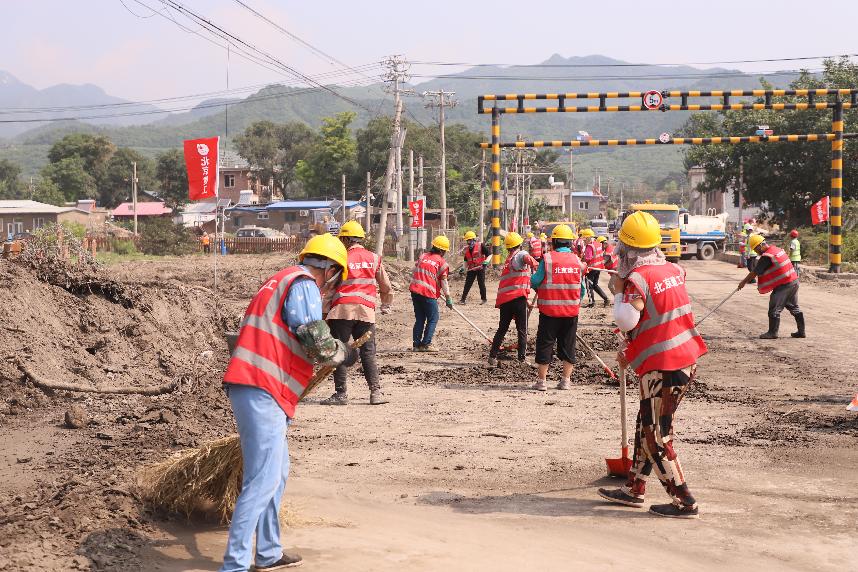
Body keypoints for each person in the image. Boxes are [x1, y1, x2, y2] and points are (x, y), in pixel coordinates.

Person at [220, 233, 357, 571]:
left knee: (276, 473)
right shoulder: (303, 284)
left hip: (260, 385)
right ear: (330, 269)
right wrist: (342, 353)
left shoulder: (278, 281)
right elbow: (312, 337)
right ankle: (235, 564)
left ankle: (268, 552)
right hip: (261, 386)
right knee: (262, 479)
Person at [597, 211, 708, 519]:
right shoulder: (673, 269)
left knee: (657, 435)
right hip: (682, 357)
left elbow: (626, 318)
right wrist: (632, 349)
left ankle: (684, 501)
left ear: (626, 246)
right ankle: (634, 488)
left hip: (665, 366)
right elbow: (659, 320)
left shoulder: (637, 278)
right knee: (645, 423)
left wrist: (618, 290)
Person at [322, 220, 393, 407]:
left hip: (341, 311)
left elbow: (329, 289)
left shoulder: (341, 259)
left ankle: (341, 394)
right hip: (366, 312)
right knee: (368, 353)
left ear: (345, 239)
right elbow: (386, 287)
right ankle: (375, 393)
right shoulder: (374, 258)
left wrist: (324, 313)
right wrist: (386, 305)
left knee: (340, 351)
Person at [530, 224, 584, 391]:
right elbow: (581, 289)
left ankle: (541, 382)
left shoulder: (547, 259)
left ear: (553, 241)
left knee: (545, 344)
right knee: (568, 345)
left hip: (549, 313)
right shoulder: (577, 261)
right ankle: (566, 381)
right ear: (570, 243)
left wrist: (541, 288)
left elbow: (535, 281)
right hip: (570, 313)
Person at [738, 234, 804, 339]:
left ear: (760, 245)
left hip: (785, 284)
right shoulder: (775, 250)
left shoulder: (767, 256)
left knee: (774, 308)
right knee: (793, 306)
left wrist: (743, 282)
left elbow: (755, 272)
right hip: (793, 281)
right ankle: (801, 332)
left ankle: (772, 333)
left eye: (755, 249)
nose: (756, 252)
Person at [488, 232, 537, 368]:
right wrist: (539, 266)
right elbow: (528, 259)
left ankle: (492, 357)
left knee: (502, 328)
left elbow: (514, 282)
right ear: (519, 244)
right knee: (522, 329)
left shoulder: (508, 260)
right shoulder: (520, 254)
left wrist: (525, 299)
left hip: (506, 300)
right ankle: (522, 359)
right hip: (516, 299)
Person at [410, 235, 453, 351]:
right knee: (433, 318)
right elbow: (443, 281)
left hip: (415, 290)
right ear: (442, 250)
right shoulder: (442, 262)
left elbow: (415, 270)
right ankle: (426, 344)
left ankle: (416, 345)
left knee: (420, 318)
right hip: (427, 293)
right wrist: (448, 297)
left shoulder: (423, 256)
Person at [581, 228, 610, 307]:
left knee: (588, 285)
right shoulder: (598, 244)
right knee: (595, 285)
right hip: (598, 268)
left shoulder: (590, 246)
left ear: (588, 238)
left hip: (592, 268)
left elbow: (588, 258)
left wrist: (582, 259)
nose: (584, 241)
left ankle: (591, 302)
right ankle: (606, 299)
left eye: (584, 239)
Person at [459, 230, 489, 305]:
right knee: (467, 283)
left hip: (480, 268)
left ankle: (484, 299)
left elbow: (489, 254)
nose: (468, 242)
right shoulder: (466, 249)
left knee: (481, 283)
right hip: (471, 269)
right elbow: (466, 260)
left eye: (470, 240)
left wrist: (486, 262)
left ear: (473, 239)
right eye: (467, 240)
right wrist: (463, 268)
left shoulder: (481, 245)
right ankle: (463, 300)